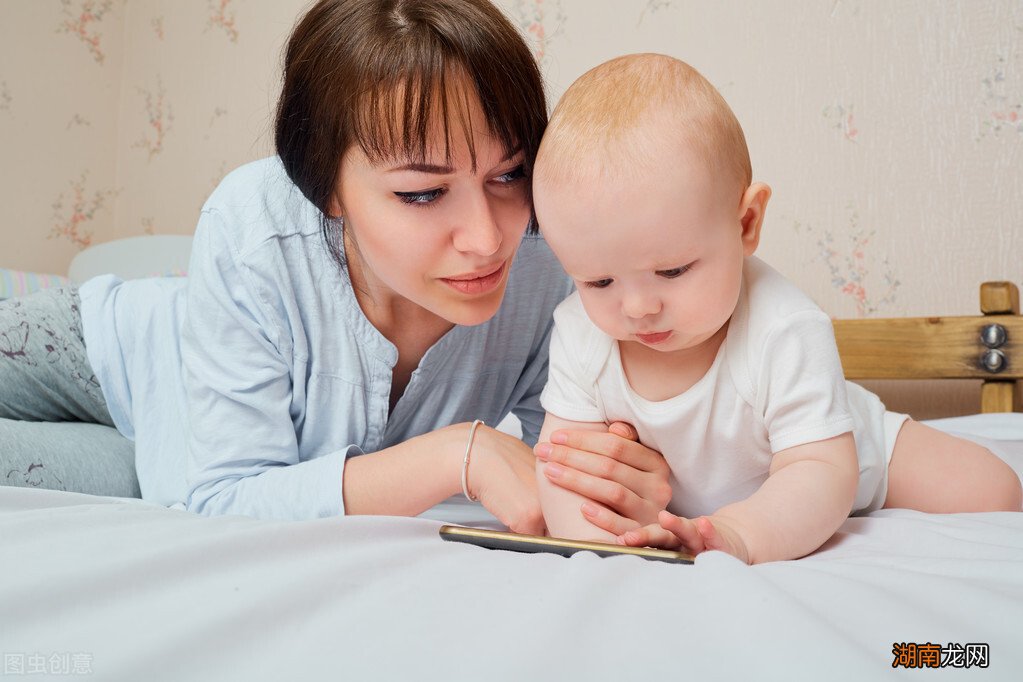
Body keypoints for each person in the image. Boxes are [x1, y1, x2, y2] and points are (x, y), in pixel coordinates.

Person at [0, 0, 674, 532]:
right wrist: (454, 454)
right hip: (110, 347)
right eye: (422, 192)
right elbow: (229, 494)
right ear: (323, 186)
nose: (486, 238)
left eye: (509, 174)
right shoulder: (253, 224)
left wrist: (618, 480)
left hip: (182, 461)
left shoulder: (560, 263)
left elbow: (557, 476)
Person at [531, 53, 1023, 563]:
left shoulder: (785, 328)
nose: (636, 307)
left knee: (994, 491)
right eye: (598, 280)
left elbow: (819, 472)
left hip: (846, 453)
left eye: (673, 271)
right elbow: (564, 467)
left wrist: (740, 533)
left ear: (745, 223)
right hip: (697, 501)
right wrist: (595, 545)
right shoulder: (579, 332)